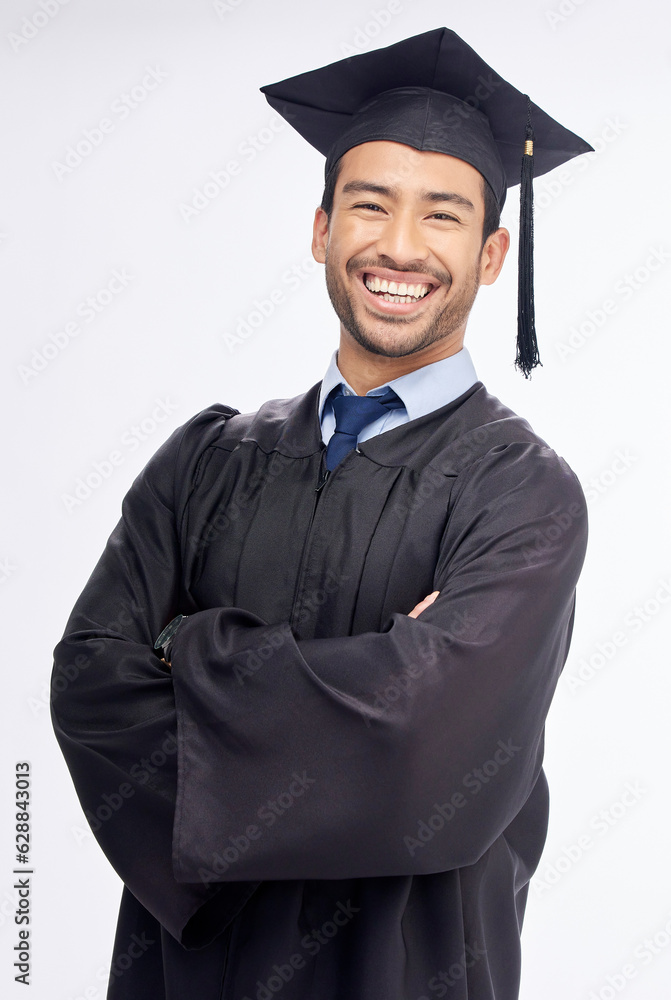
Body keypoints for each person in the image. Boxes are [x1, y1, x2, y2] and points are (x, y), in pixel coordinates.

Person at [52, 27, 591, 1000]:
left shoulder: (520, 492)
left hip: (405, 970)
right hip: (188, 974)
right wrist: (372, 669)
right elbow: (89, 684)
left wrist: (189, 650)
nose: (397, 246)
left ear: (490, 250)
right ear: (320, 229)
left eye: (441, 215)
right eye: (368, 205)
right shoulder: (206, 459)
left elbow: (424, 748)